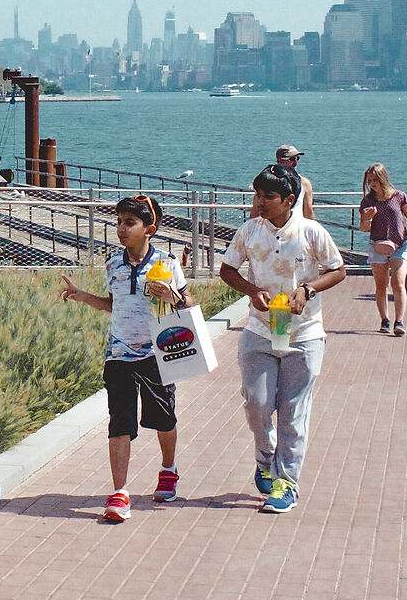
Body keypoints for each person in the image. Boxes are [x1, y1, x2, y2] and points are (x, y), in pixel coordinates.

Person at [218, 162, 348, 514]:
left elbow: (339, 270)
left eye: (268, 196)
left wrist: (308, 289)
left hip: (304, 334)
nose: (260, 202)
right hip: (261, 330)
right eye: (257, 195)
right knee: (257, 404)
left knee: (293, 413)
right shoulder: (249, 231)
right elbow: (227, 269)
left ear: (289, 199)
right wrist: (250, 290)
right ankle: (265, 460)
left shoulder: (312, 232)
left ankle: (286, 483)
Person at [58, 195, 190, 523]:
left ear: (150, 229)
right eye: (118, 221)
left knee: (163, 418)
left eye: (129, 223)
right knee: (119, 421)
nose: (120, 229)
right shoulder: (113, 265)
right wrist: (82, 296)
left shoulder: (168, 264)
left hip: (157, 353)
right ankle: (120, 492)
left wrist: (173, 296)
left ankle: (168, 469)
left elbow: (187, 309)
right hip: (118, 354)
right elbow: (113, 304)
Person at [361, 163, 407, 336]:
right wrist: (368, 218)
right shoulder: (367, 201)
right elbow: (364, 227)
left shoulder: (399, 196)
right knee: (381, 285)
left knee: (398, 283)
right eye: (369, 181)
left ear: (383, 178)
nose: (372, 184)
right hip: (377, 245)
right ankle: (384, 319)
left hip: (399, 245)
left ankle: (399, 321)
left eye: (375, 180)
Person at [274, 145, 316, 221]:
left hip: (296, 230)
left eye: (297, 158)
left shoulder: (304, 183)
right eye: (292, 159)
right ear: (281, 161)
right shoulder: (267, 182)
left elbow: (309, 213)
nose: (295, 163)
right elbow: (256, 212)